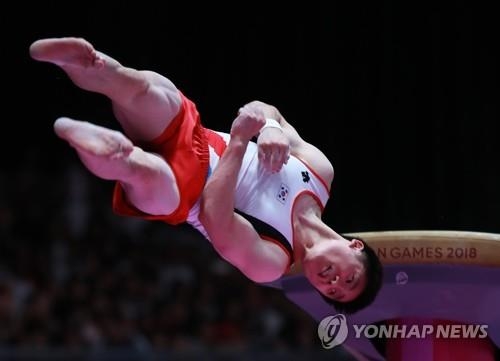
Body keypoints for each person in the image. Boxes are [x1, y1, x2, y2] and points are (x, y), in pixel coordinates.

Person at [29, 37, 383, 314]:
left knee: (143, 173)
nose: (335, 281)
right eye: (349, 277)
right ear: (355, 245)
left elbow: (215, 215)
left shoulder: (271, 263)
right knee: (140, 89)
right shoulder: (320, 173)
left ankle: (107, 149)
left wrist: (243, 139)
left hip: (182, 194)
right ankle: (85, 63)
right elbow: (264, 109)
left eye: (333, 291)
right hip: (192, 135)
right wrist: (272, 126)